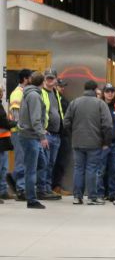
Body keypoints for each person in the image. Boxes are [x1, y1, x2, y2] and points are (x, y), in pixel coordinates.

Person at [64, 79, 114, 205]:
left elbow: (66, 122)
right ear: (95, 89)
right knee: (91, 169)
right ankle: (92, 197)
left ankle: (77, 197)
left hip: (77, 142)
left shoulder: (74, 103)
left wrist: (73, 134)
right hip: (95, 143)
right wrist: (106, 142)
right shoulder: (100, 104)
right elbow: (107, 125)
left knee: (78, 169)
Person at [17, 71, 49, 209]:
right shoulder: (34, 96)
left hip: (31, 136)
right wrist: (42, 136)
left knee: (41, 163)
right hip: (31, 137)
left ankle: (23, 180)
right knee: (31, 169)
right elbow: (35, 119)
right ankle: (31, 200)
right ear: (43, 82)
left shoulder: (29, 93)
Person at [37, 69, 64, 200]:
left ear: (55, 79)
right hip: (47, 134)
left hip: (56, 134)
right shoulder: (40, 93)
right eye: (47, 78)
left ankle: (47, 188)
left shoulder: (55, 93)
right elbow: (38, 114)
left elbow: (58, 111)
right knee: (44, 163)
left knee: (51, 163)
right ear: (43, 79)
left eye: (51, 78)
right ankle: (42, 189)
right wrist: (42, 130)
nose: (49, 81)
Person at [6, 68, 32, 199]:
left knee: (24, 161)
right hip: (19, 132)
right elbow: (16, 116)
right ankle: (21, 190)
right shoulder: (18, 93)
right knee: (21, 160)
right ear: (26, 79)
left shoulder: (25, 92)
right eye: (30, 77)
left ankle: (14, 178)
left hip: (23, 132)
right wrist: (23, 128)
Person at [98, 83, 115, 201]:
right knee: (101, 169)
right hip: (102, 144)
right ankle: (100, 193)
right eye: (107, 91)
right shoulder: (99, 106)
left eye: (112, 91)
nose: (110, 93)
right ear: (103, 93)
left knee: (114, 170)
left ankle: (112, 193)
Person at [0, 86, 12, 202]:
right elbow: (3, 122)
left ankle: (3, 191)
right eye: (2, 92)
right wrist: (13, 123)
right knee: (2, 167)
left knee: (3, 167)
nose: (3, 94)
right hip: (1, 140)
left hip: (3, 140)